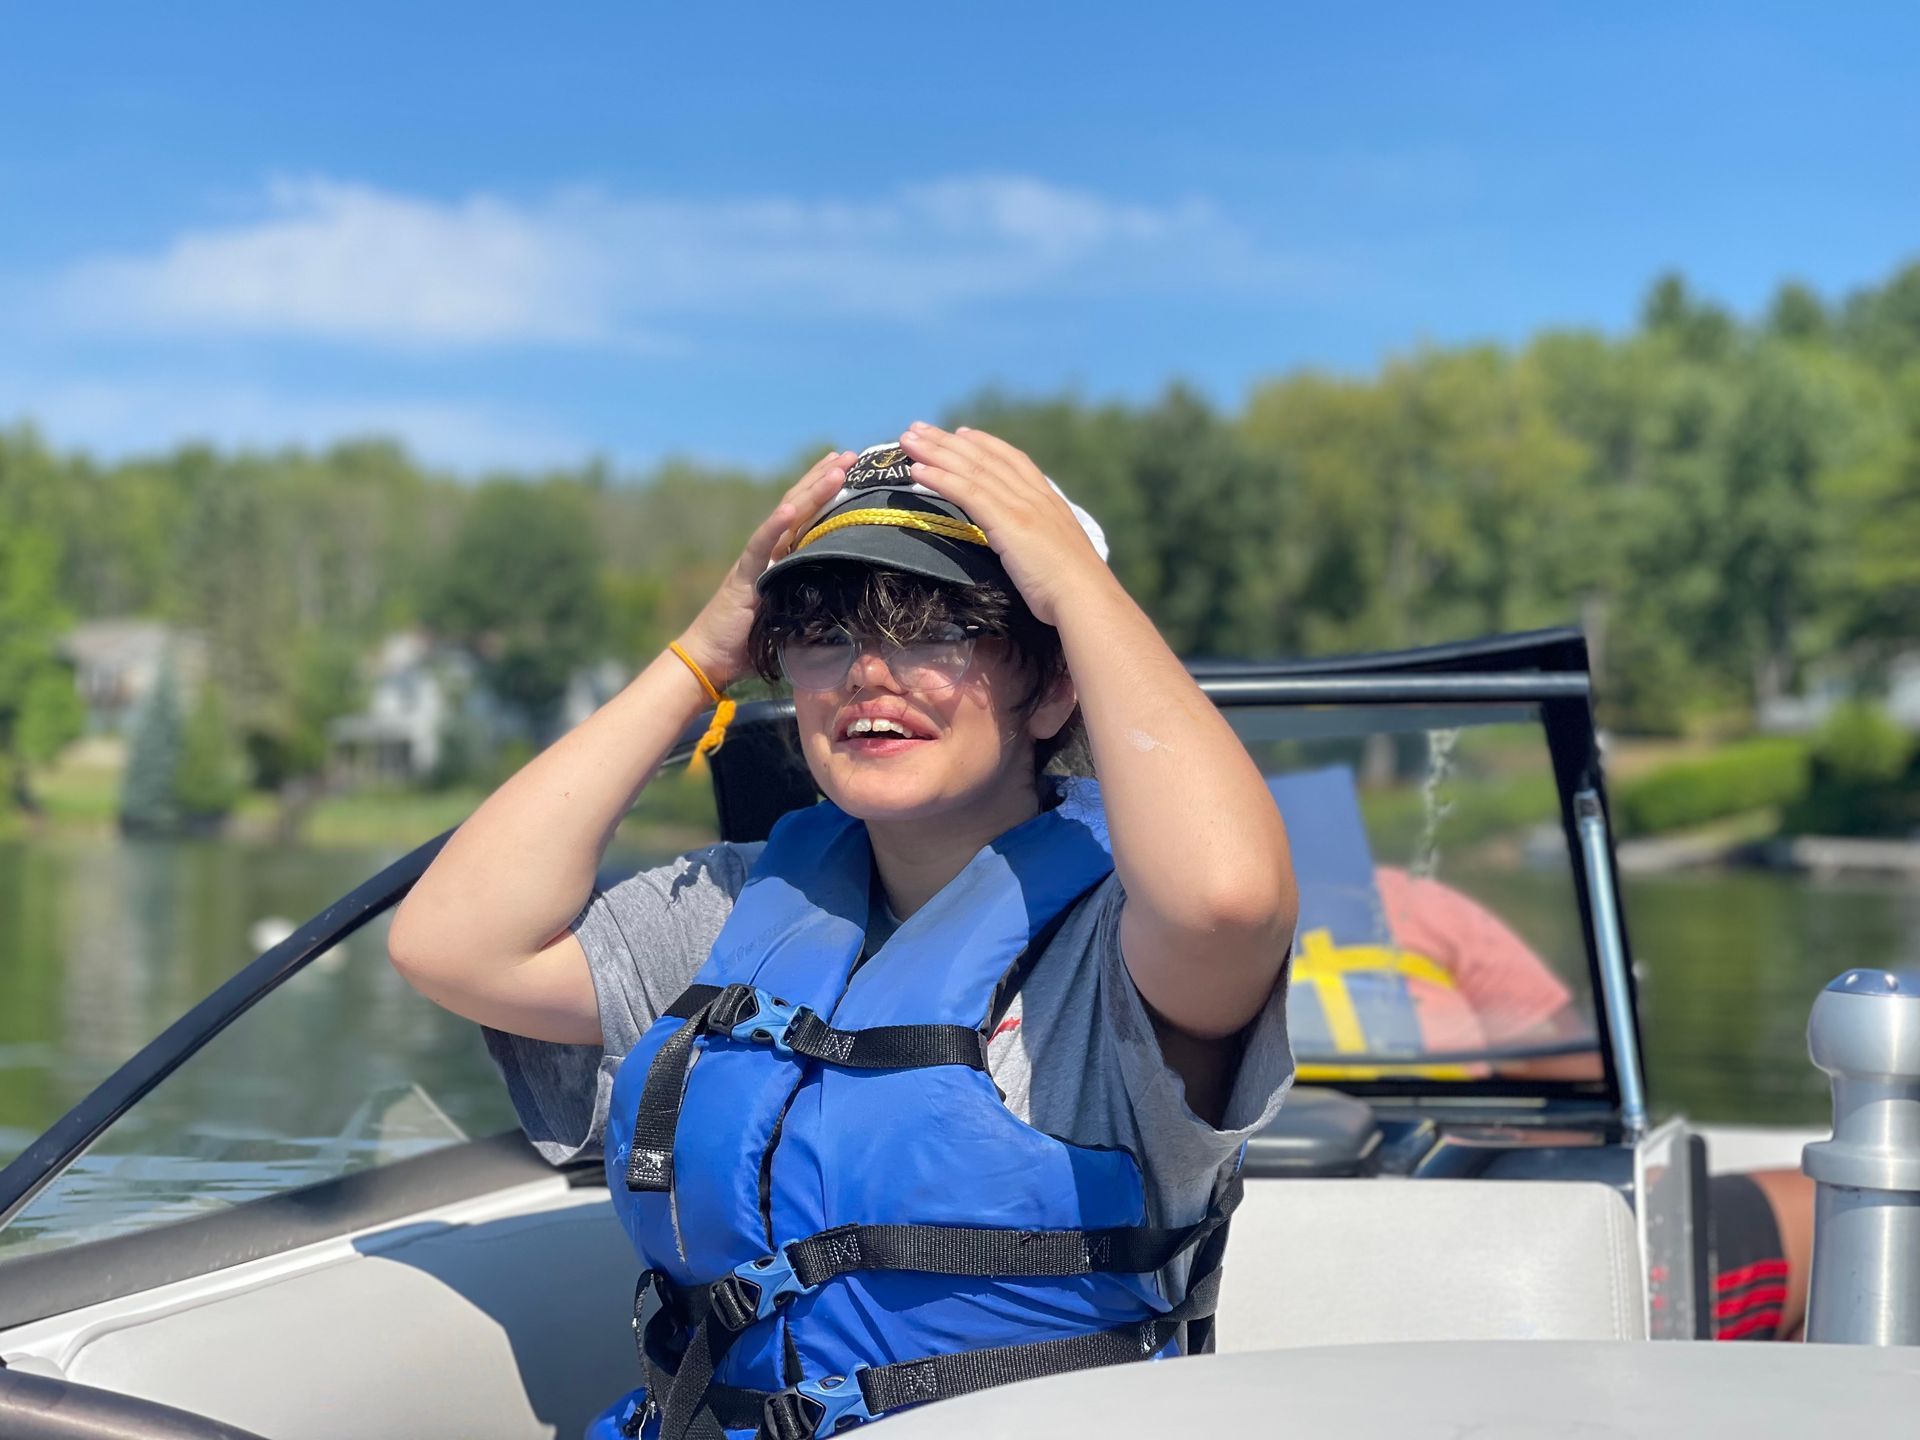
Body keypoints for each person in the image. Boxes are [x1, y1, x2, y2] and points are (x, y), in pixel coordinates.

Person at [389, 426, 1298, 1439]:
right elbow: (453, 944)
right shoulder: (731, 910)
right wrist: (701, 655)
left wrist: (1079, 589)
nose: (867, 672)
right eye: (822, 635)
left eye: (933, 629)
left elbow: (1229, 900)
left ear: (1051, 687)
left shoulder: (1117, 944)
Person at [1267, 765, 1808, 1340]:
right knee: (1831, 1213)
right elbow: (1573, 1080)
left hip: (1254, 1240)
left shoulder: (1169, 934)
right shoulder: (1411, 905)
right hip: (1482, 1241)